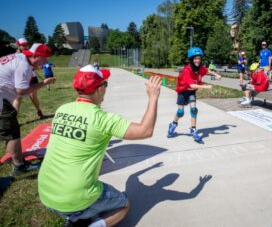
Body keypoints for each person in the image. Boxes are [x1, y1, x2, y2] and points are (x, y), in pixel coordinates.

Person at [38, 65, 162, 227]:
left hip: (46, 195)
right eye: (105, 84)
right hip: (73, 198)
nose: (105, 88)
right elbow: (145, 131)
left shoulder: (62, 109)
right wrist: (153, 97)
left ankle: (77, 215)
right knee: (124, 204)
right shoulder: (103, 119)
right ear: (99, 90)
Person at [0, 44, 55, 175]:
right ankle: (19, 166)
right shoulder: (24, 66)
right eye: (44, 59)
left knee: (6, 128)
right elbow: (21, 91)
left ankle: (15, 157)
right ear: (35, 56)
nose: (45, 62)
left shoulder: (20, 57)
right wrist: (43, 83)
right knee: (12, 131)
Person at [167, 47, 221, 143]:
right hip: (183, 92)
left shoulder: (200, 68)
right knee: (180, 112)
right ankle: (173, 124)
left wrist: (215, 74)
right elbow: (191, 85)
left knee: (194, 110)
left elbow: (207, 70)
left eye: (199, 59)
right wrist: (205, 87)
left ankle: (193, 130)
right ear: (191, 59)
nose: (197, 61)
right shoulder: (186, 70)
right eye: (195, 59)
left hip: (191, 92)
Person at [13, 38, 45, 119]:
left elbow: (37, 66)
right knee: (18, 98)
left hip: (32, 77)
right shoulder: (15, 55)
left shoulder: (30, 53)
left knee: (33, 97)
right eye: (23, 45)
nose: (26, 46)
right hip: (21, 78)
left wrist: (35, 67)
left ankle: (39, 111)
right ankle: (12, 120)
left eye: (26, 44)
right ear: (18, 45)